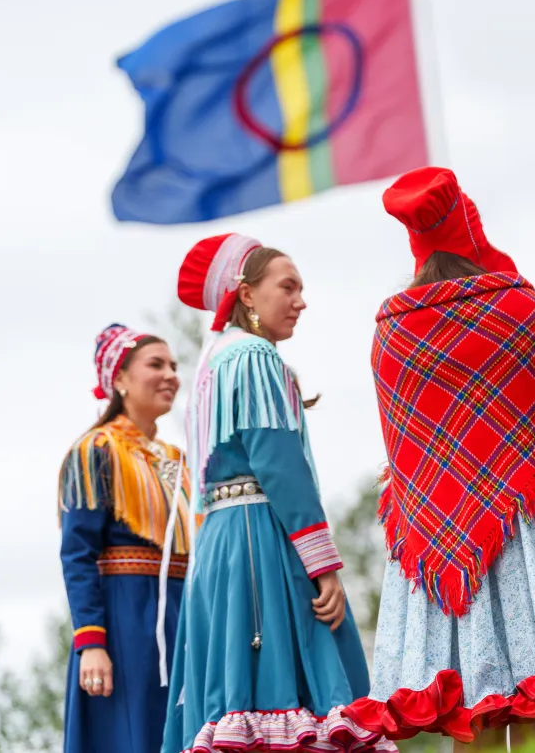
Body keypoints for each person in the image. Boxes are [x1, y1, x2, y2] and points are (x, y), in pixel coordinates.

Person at [347, 167, 535, 750]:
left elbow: (403, 446)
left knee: (471, 711)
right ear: (470, 229)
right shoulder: (522, 312)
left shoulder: (392, 334)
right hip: (526, 522)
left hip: (439, 532)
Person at [161, 234, 391, 753]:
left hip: (219, 544)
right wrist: (323, 564)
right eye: (287, 287)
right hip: (259, 541)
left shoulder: (211, 363)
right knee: (284, 698)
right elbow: (280, 466)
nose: (301, 301)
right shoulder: (255, 356)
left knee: (230, 702)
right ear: (245, 294)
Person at [59, 323, 191, 753]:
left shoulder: (179, 460)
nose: (171, 374)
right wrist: (92, 643)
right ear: (119, 379)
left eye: (173, 365)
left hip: (184, 615)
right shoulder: (95, 449)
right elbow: (78, 554)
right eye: (156, 364)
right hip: (126, 619)